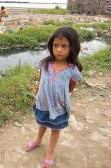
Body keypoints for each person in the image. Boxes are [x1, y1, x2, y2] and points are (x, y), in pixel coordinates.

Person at [24, 27, 83, 168]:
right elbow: (40, 81)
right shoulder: (45, 64)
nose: (59, 50)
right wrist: (35, 95)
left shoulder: (72, 69)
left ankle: (50, 153)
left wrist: (66, 95)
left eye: (64, 46)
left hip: (59, 106)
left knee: (55, 129)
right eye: (55, 45)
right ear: (51, 46)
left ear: (73, 47)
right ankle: (38, 140)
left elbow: (72, 84)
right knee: (42, 122)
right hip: (42, 103)